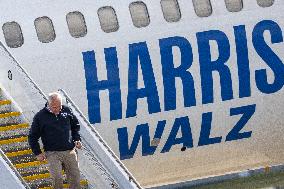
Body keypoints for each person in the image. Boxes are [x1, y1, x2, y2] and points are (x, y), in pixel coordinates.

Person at [28, 92, 82, 189]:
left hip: (69, 151)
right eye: (54, 107)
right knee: (57, 178)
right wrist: (38, 152)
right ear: (48, 104)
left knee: (75, 178)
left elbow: (75, 127)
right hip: (52, 153)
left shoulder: (67, 110)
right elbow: (32, 136)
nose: (57, 110)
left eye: (59, 106)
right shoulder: (40, 116)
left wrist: (77, 139)